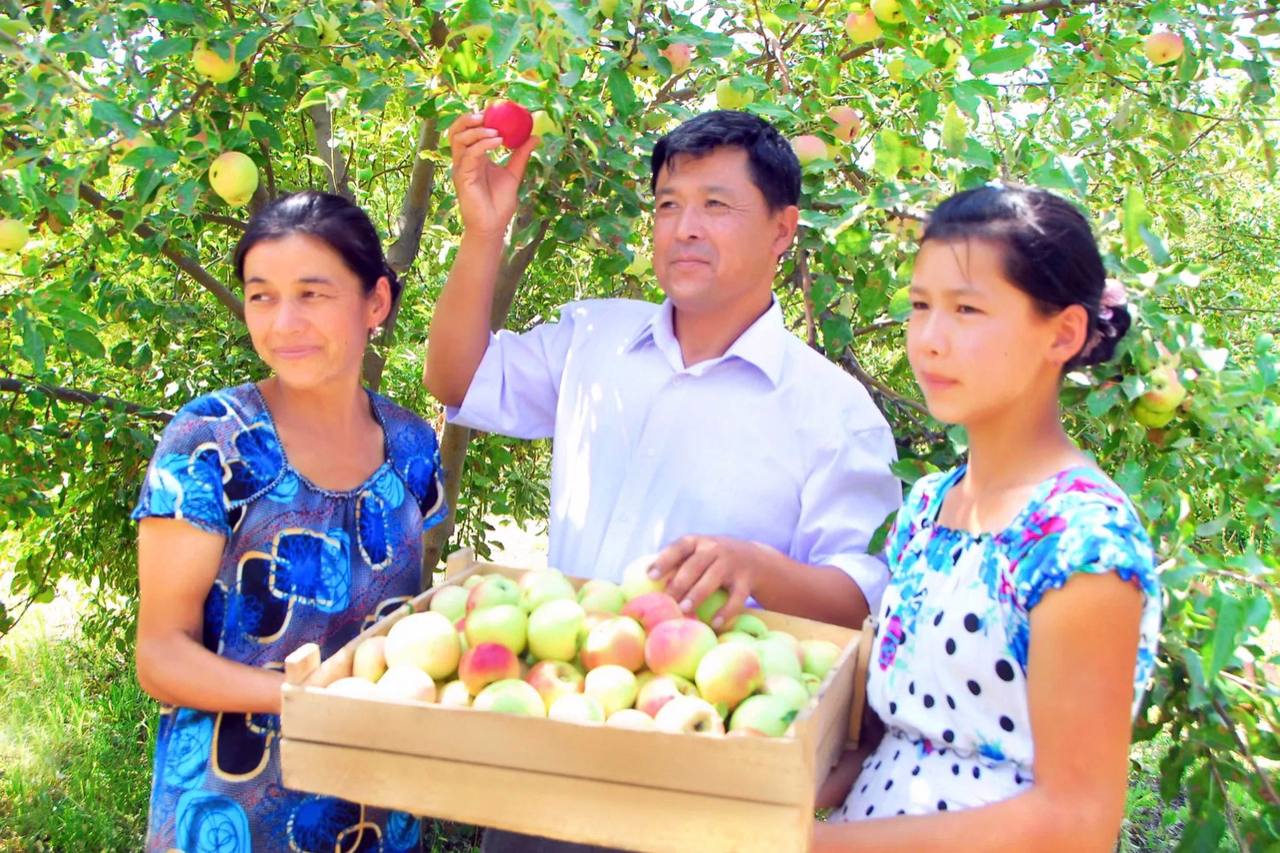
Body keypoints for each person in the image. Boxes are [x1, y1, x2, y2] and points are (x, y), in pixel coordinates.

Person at [426, 109, 900, 635]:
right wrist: (485, 231)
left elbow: (863, 598)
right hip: (562, 693)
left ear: (782, 230)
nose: (685, 229)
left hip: (715, 707)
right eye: (668, 206)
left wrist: (758, 569)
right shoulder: (591, 337)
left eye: (715, 205)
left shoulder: (835, 411)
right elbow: (457, 380)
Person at [811, 184, 1162, 851]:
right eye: (920, 306)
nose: (930, 340)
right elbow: (897, 734)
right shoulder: (930, 507)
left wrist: (809, 846)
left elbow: (1076, 820)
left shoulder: (1082, 542)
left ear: (1063, 332)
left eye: (967, 309)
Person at [133, 191, 446, 852]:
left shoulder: (412, 447)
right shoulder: (211, 441)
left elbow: (412, 622)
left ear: (376, 304)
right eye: (261, 295)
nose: (283, 323)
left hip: (375, 805)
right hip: (233, 810)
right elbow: (161, 653)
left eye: (312, 294)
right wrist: (304, 698)